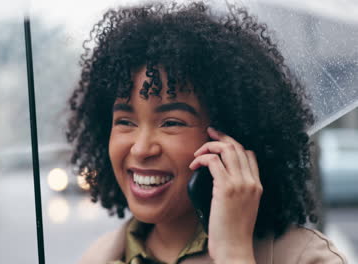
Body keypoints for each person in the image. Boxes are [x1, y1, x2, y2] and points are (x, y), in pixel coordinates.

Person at [66, 2, 347, 263]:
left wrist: (233, 253)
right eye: (125, 121)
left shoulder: (303, 257)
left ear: (231, 137)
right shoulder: (99, 258)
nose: (140, 149)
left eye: (171, 122)